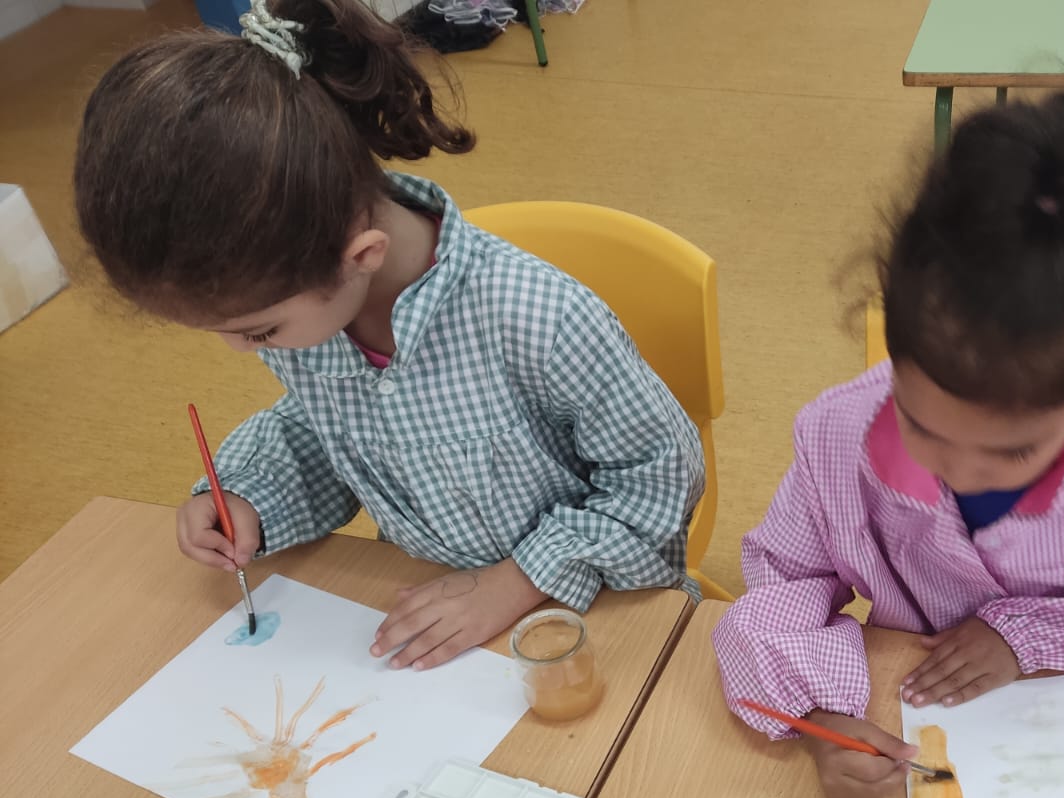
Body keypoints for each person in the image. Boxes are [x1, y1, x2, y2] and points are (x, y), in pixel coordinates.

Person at [73, 0, 705, 670]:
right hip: (428, 604)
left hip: (594, 614)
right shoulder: (312, 309)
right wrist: (249, 494)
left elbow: (659, 479)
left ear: (362, 256)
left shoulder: (540, 319)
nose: (241, 349)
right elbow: (330, 431)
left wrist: (517, 581)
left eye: (258, 330)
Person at [714, 93, 1064, 798]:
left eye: (1012, 453)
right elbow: (781, 586)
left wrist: (1028, 637)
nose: (961, 472)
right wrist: (820, 718)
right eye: (922, 428)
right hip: (925, 749)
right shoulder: (840, 437)